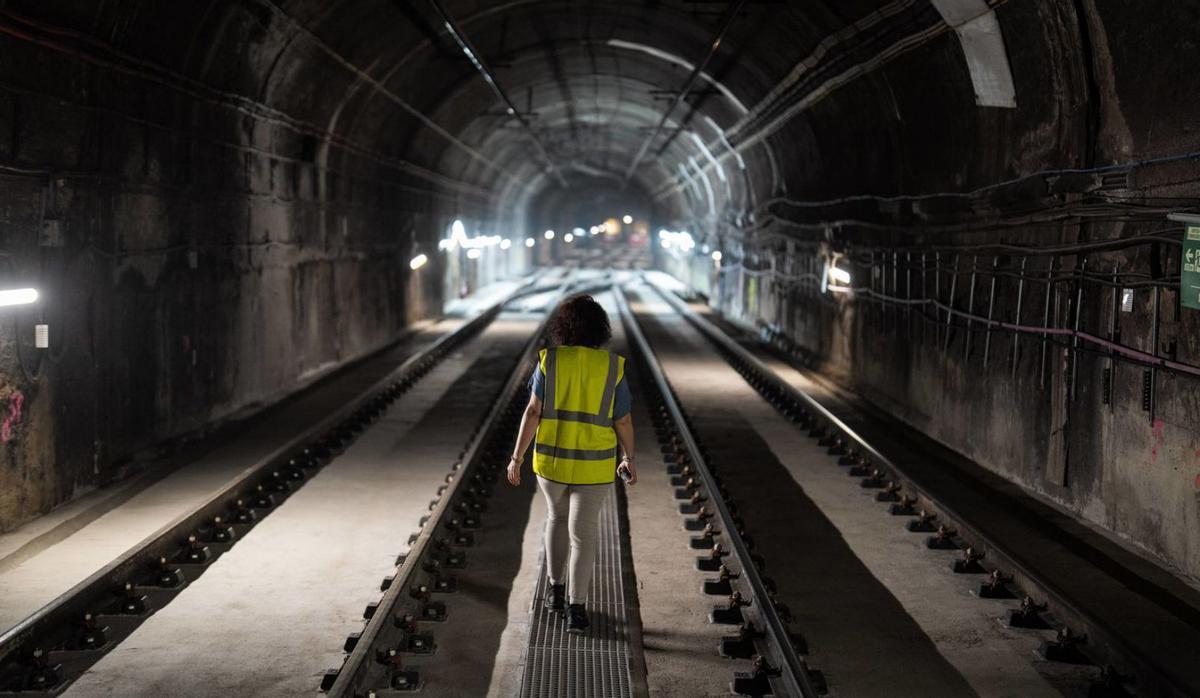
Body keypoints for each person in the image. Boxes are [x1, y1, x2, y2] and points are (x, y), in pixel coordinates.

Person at [506, 293, 636, 634]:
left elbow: (533, 411)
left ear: (562, 327)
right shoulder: (611, 366)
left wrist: (516, 457)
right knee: (584, 535)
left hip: (552, 463)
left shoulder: (550, 360)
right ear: (600, 330)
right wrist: (629, 457)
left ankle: (555, 590)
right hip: (594, 466)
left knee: (556, 519)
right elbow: (622, 420)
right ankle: (577, 609)